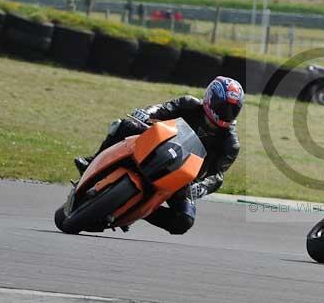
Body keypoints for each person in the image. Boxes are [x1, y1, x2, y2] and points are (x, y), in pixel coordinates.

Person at [74, 76, 244, 235]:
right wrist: (146, 113)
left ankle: (139, 211)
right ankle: (93, 161)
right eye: (223, 107)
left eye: (233, 110)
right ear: (210, 98)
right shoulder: (188, 103)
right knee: (125, 125)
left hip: (181, 178)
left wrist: (203, 187)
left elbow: (218, 175)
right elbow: (162, 109)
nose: (226, 113)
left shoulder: (230, 143)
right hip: (157, 145)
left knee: (184, 221)